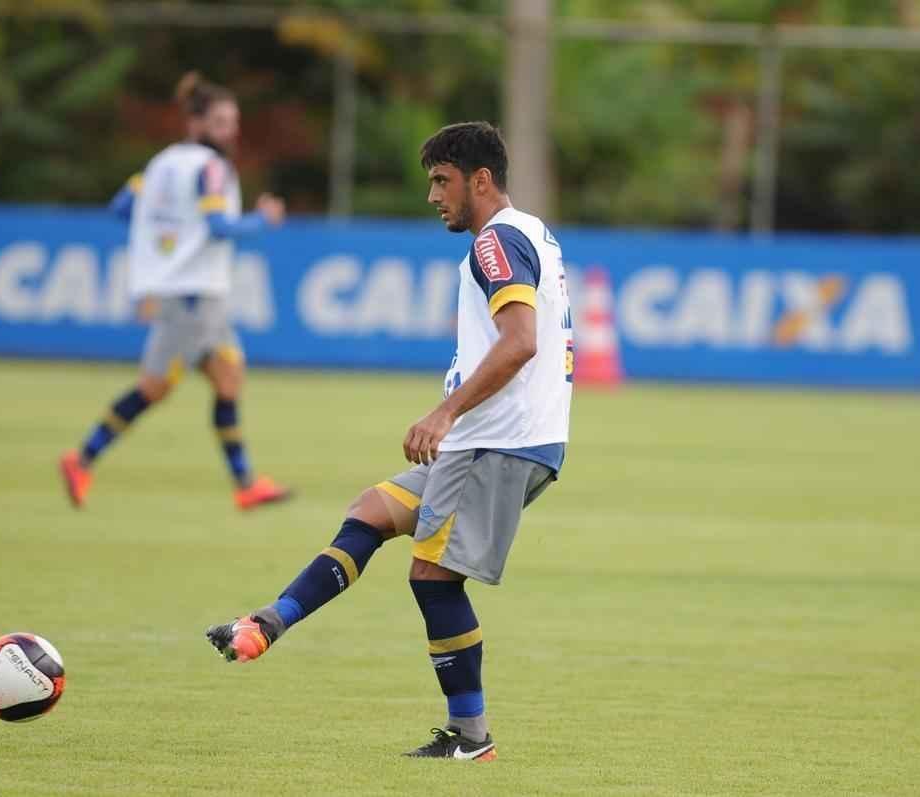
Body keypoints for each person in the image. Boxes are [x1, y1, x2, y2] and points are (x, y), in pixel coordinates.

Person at [205, 121, 573, 760]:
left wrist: (445, 413)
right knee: (371, 512)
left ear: (481, 180)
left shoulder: (495, 242)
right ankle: (268, 623)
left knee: (433, 576)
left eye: (442, 181)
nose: (433, 196)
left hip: (496, 442)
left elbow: (520, 343)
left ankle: (471, 737)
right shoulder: (533, 231)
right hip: (506, 440)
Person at [59, 72, 291, 511]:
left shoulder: (162, 163)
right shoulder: (212, 168)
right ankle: (82, 458)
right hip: (192, 293)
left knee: (228, 376)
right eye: (221, 122)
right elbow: (219, 227)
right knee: (155, 387)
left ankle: (245, 483)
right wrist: (263, 219)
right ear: (196, 123)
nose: (230, 131)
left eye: (233, 121)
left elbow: (121, 208)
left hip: (186, 290)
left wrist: (162, 243)